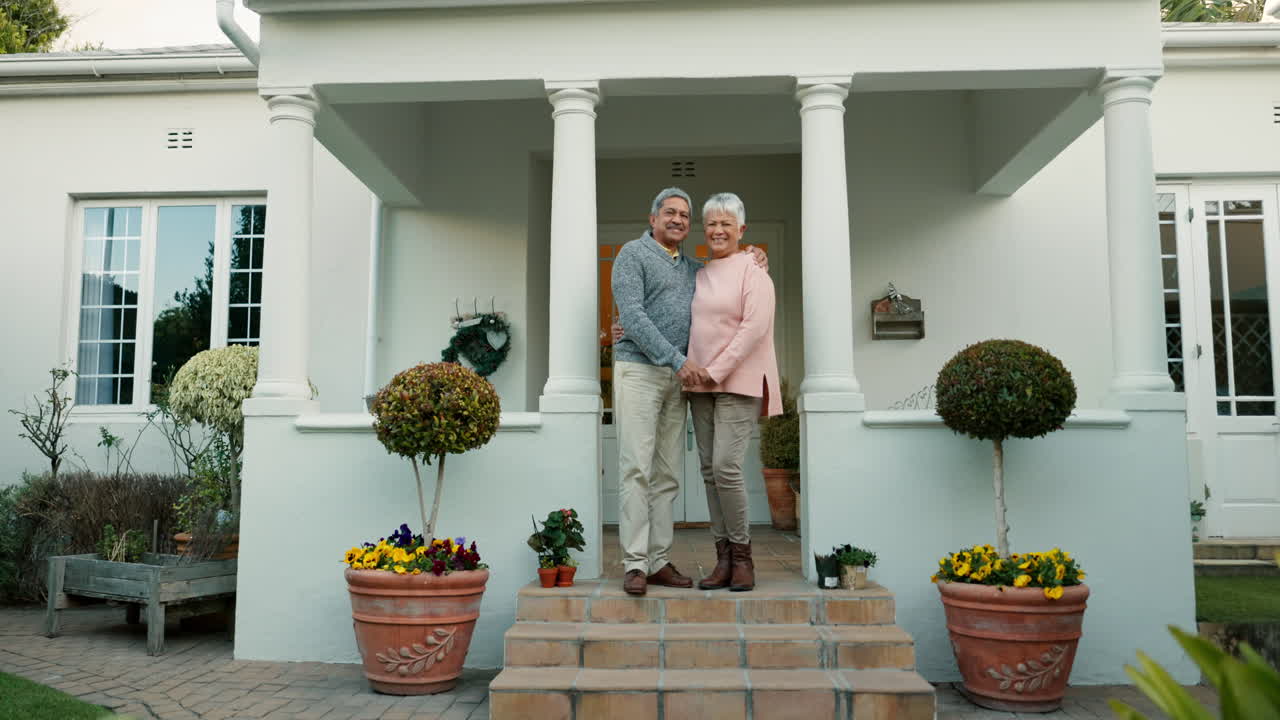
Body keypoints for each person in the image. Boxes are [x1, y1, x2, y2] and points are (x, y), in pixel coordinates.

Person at [610, 187, 766, 596]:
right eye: (670, 212)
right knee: (636, 468)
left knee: (666, 474)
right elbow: (633, 316)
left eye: (684, 214)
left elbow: (729, 279)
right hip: (642, 371)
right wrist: (677, 361)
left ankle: (659, 560)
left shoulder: (695, 269)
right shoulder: (632, 255)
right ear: (653, 218)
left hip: (679, 380)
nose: (678, 219)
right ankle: (635, 563)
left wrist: (752, 255)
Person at [684, 193, 781, 593]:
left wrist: (716, 371)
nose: (718, 230)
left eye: (726, 223)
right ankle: (722, 557)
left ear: (741, 229)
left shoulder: (754, 271)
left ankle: (743, 557)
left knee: (726, 467)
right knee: (710, 472)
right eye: (711, 223)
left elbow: (753, 329)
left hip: (738, 381)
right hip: (700, 384)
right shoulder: (698, 273)